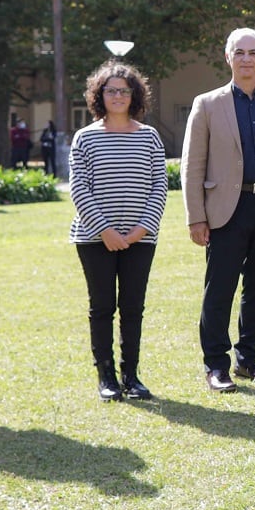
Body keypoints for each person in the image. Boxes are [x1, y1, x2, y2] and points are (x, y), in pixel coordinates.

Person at [181, 27, 255, 393]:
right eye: (239, 52)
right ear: (228, 58)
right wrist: (195, 216)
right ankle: (216, 365)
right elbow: (192, 165)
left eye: (253, 52)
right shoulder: (207, 104)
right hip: (224, 210)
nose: (246, 58)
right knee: (219, 289)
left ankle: (248, 359)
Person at [69, 62, 167, 402]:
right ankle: (106, 377)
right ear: (100, 95)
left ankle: (131, 376)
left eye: (124, 90)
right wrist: (106, 230)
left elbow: (159, 186)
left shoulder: (149, 136)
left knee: (132, 307)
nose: (117, 96)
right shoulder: (85, 137)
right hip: (95, 240)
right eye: (110, 90)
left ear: (134, 95)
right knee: (101, 307)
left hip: (141, 239)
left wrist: (142, 229)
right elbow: (79, 188)